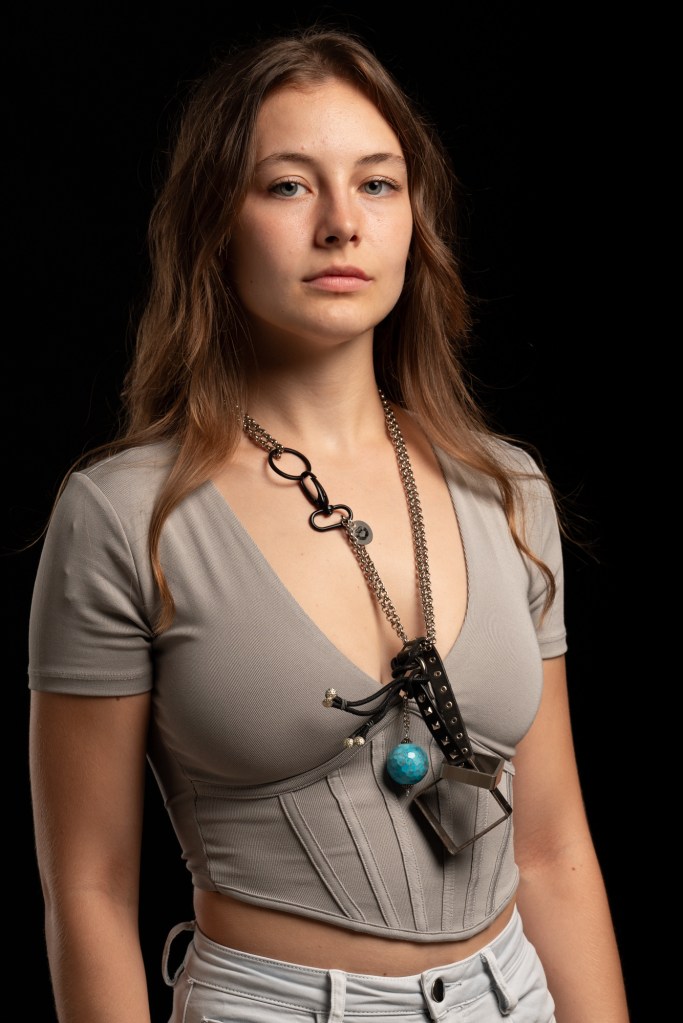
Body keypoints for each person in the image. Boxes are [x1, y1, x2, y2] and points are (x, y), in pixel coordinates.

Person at [27, 25, 630, 1023]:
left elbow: (552, 849)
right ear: (213, 224)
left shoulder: (506, 489)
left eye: (377, 183)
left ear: (414, 222)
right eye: (288, 185)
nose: (342, 224)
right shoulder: (126, 516)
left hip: (509, 995)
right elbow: (88, 888)